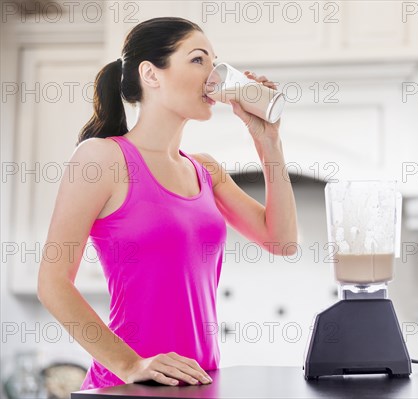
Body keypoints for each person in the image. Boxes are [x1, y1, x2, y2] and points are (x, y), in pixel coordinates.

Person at [37, 17, 298, 390]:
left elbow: (282, 241)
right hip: (129, 386)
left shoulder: (206, 170)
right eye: (198, 60)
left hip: (199, 383)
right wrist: (130, 365)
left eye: (215, 62)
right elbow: (52, 283)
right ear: (151, 74)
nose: (214, 76)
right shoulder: (101, 159)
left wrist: (269, 142)